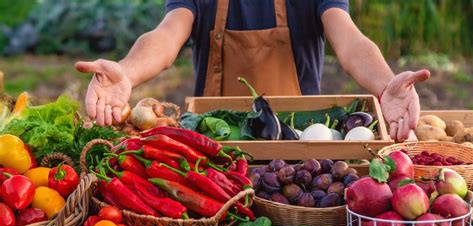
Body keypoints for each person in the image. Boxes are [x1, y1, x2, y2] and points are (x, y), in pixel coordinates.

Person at [76, 0, 430, 142]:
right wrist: (127, 70)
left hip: (302, 141)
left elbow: (350, 42)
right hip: (217, 144)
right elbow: (166, 37)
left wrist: (385, 83)